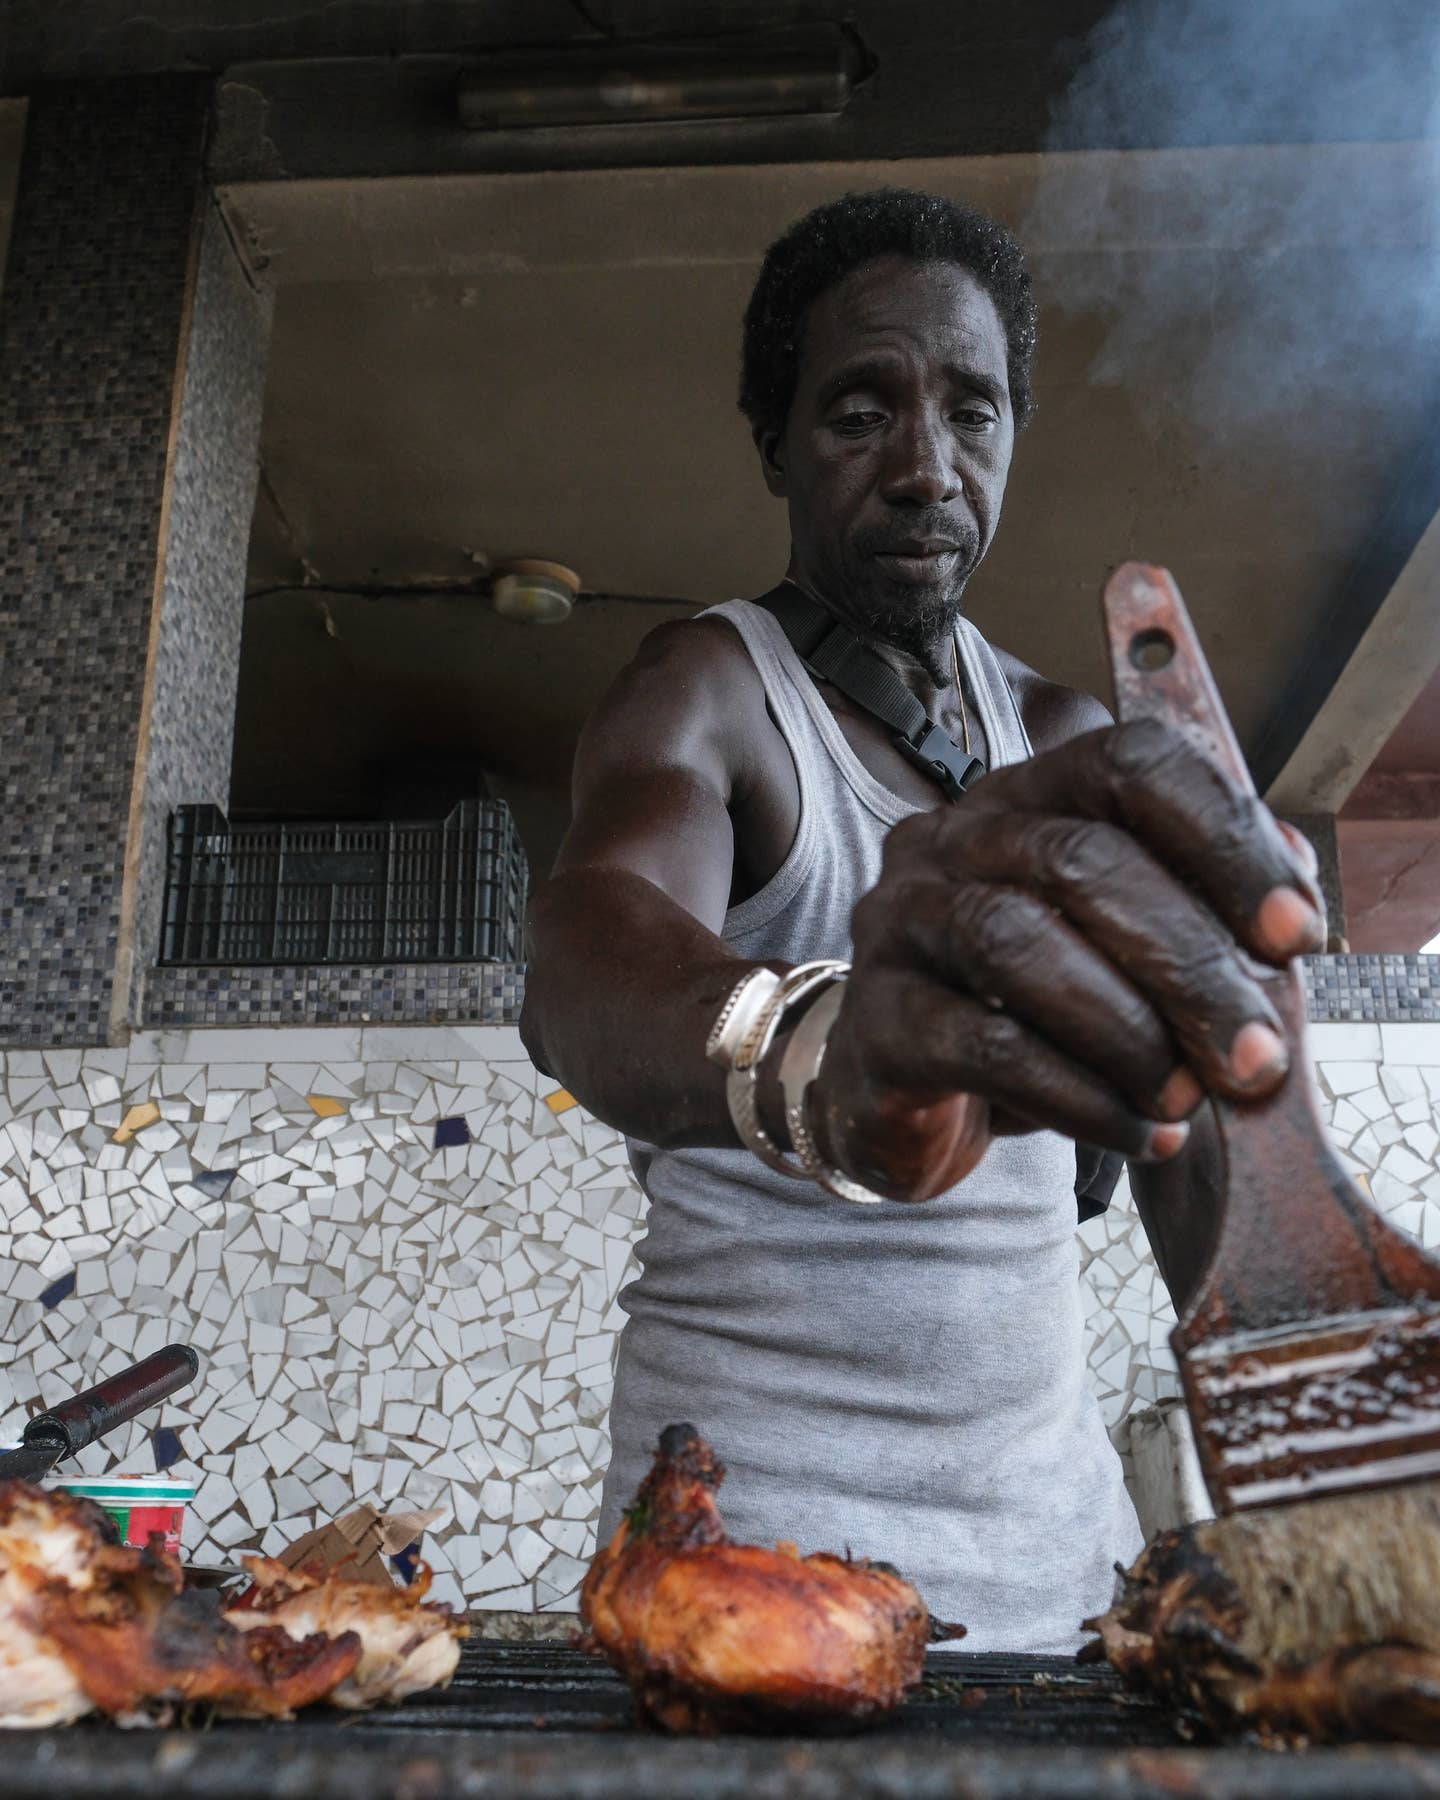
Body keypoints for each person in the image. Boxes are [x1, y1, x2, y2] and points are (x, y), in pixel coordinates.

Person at [520, 188, 1324, 1651]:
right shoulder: (712, 691)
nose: (923, 469)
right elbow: (586, 962)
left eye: (972, 412)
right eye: (858, 415)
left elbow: (1197, 1139)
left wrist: (1302, 1324)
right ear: (773, 441)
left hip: (1060, 1575)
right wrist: (819, 1050)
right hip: (747, 1580)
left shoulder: (1068, 732)